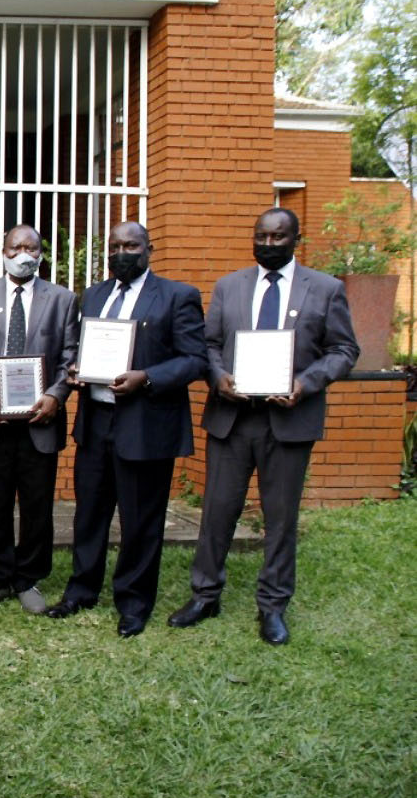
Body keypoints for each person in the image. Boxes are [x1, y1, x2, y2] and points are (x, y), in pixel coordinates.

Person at [168, 208, 358, 645]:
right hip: (232, 419)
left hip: (289, 420)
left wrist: (305, 383)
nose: (268, 244)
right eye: (261, 236)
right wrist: (218, 377)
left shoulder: (326, 289)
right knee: (217, 512)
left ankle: (272, 605)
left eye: (278, 237)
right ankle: (205, 594)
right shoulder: (230, 286)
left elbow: (345, 349)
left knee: (280, 518)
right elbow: (209, 344)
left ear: (296, 238)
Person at [45, 221, 206, 637]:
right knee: (89, 514)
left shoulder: (177, 296)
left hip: (146, 425)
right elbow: (81, 348)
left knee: (140, 519)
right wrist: (76, 370)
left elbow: (194, 360)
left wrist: (146, 377)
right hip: (97, 422)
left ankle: (133, 602)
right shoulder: (95, 295)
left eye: (131, 245)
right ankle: (81, 591)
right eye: (115, 246)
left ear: (148, 248)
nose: (122, 252)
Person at [0, 224, 79, 615]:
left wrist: (55, 395)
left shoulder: (63, 299)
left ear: (41, 253)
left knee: (37, 504)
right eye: (16, 247)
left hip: (40, 420)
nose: (23, 254)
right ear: (3, 251)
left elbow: (70, 356)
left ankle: (28, 577)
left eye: (31, 247)